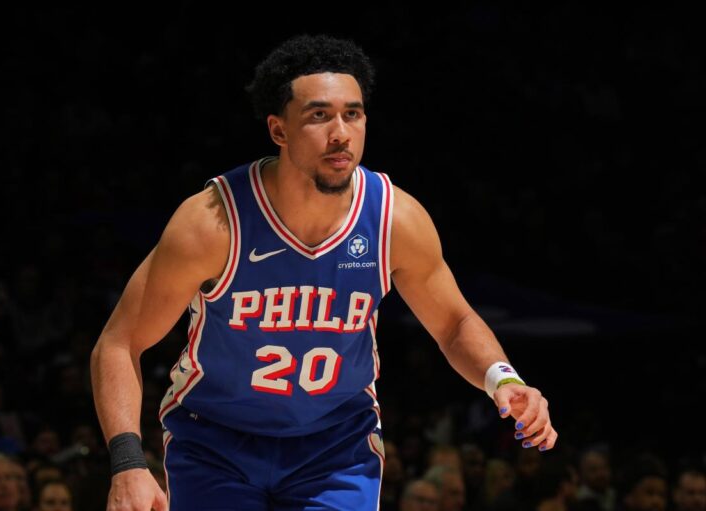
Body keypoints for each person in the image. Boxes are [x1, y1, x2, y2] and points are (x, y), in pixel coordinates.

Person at [90, 33, 558, 510]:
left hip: (335, 447)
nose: (341, 132)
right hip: (215, 441)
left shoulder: (394, 220)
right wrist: (127, 463)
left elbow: (454, 323)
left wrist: (504, 379)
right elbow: (119, 343)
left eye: (352, 114)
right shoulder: (212, 223)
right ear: (278, 130)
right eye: (319, 116)